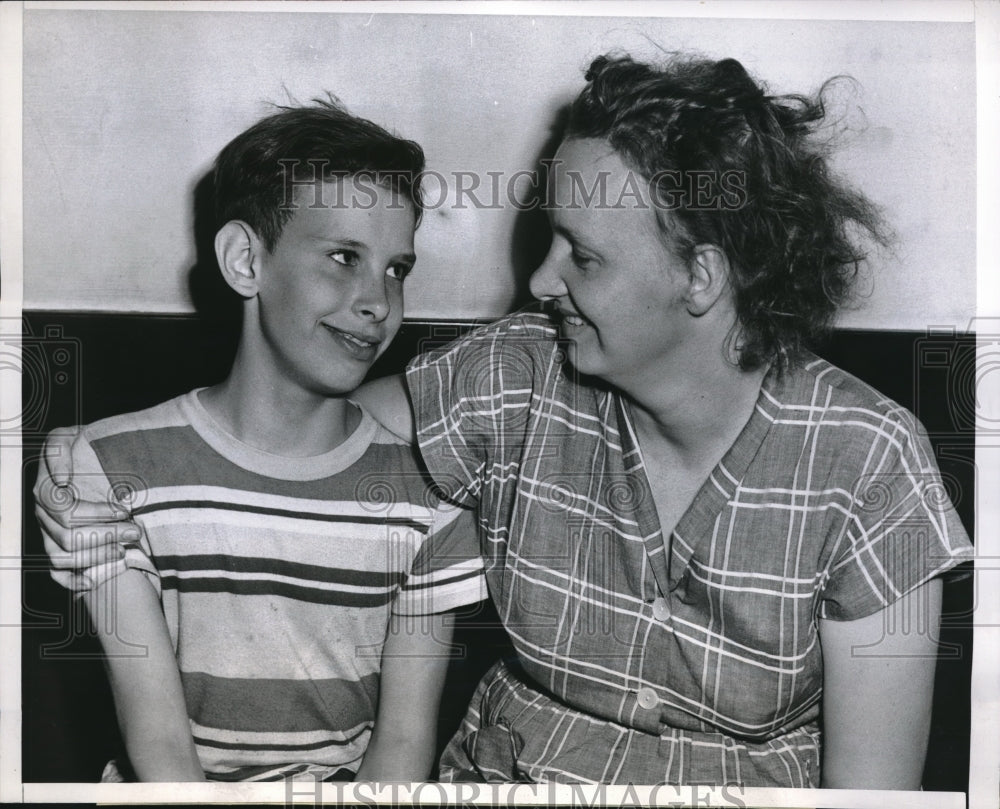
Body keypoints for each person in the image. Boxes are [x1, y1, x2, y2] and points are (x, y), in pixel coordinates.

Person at [38, 53, 973, 788]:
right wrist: (72, 458)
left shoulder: (868, 461)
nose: (538, 279)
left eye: (584, 255)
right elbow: (306, 427)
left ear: (702, 275)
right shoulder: (519, 374)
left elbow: (872, 793)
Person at [34, 99, 486, 782]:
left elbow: (401, 747)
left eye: (397, 268)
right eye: (343, 256)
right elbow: (158, 742)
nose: (378, 302)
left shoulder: (430, 495)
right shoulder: (108, 471)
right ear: (246, 260)